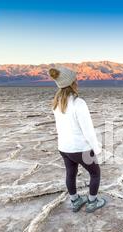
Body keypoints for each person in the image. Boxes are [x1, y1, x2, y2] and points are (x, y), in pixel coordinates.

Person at [48, 66, 106, 213]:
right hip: (80, 148)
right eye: (75, 79)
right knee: (95, 173)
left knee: (70, 174)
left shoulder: (57, 103)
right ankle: (92, 202)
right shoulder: (78, 103)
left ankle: (75, 201)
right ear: (72, 83)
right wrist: (96, 149)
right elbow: (88, 131)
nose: (77, 81)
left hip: (64, 148)